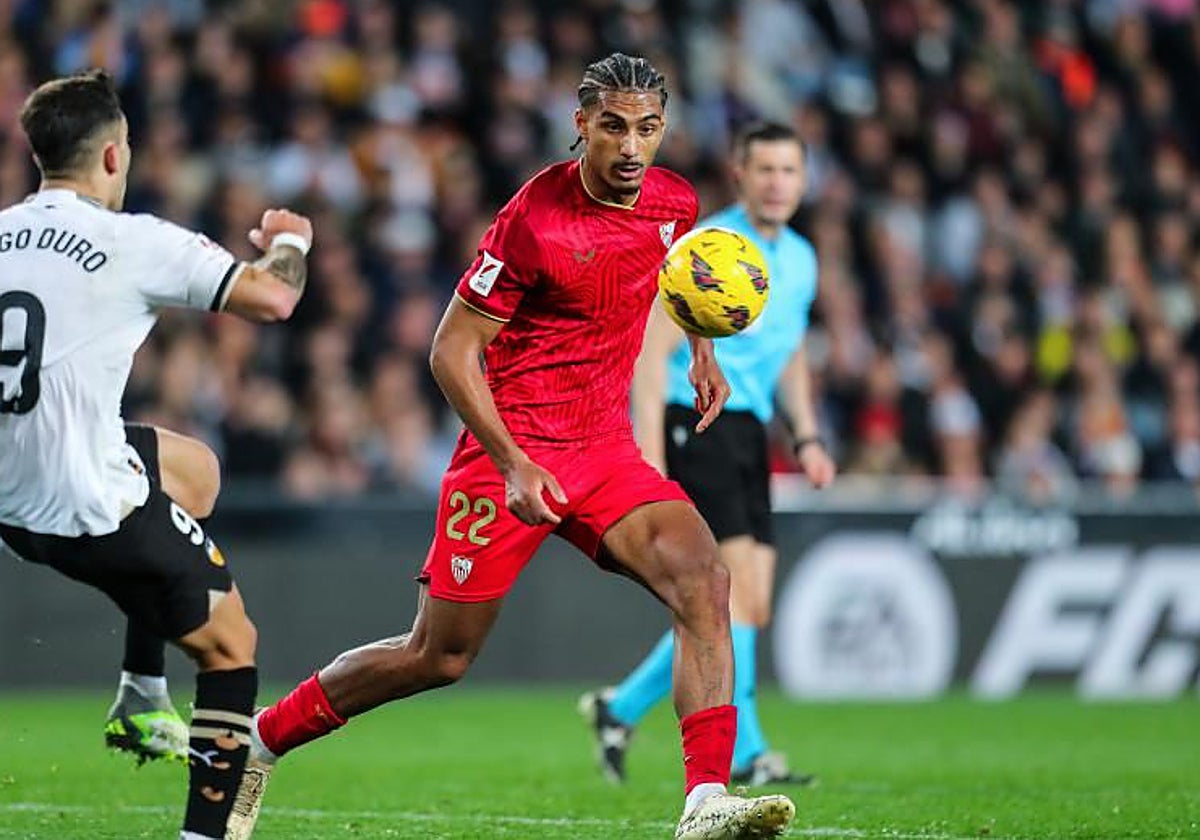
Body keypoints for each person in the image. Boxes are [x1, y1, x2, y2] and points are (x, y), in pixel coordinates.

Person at [225, 53, 796, 840]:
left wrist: (701, 348)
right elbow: (448, 352)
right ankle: (257, 740)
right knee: (438, 656)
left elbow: (674, 276)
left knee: (704, 580)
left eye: (649, 129)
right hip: (510, 452)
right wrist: (512, 462)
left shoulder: (674, 202)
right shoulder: (534, 220)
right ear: (582, 126)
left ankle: (705, 801)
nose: (633, 147)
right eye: (614, 127)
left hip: (603, 448)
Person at [0, 69, 313, 840]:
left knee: (194, 470)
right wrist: (292, 239)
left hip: (10, 497)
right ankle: (203, 836)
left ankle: (142, 691)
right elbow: (275, 297)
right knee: (233, 647)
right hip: (88, 506)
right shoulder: (129, 239)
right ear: (114, 156)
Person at [581, 121, 836, 786]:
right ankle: (747, 754)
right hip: (693, 418)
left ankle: (620, 707)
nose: (778, 183)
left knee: (749, 604)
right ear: (741, 174)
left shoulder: (802, 260)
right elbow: (649, 352)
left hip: (750, 429)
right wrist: (647, 459)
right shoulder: (708, 249)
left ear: (804, 182)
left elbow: (789, 355)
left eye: (789, 171)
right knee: (734, 599)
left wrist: (805, 434)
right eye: (766, 170)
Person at [103, 428, 222, 765]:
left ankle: (144, 685)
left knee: (196, 474)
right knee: (234, 637)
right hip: (55, 442)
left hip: (66, 434)